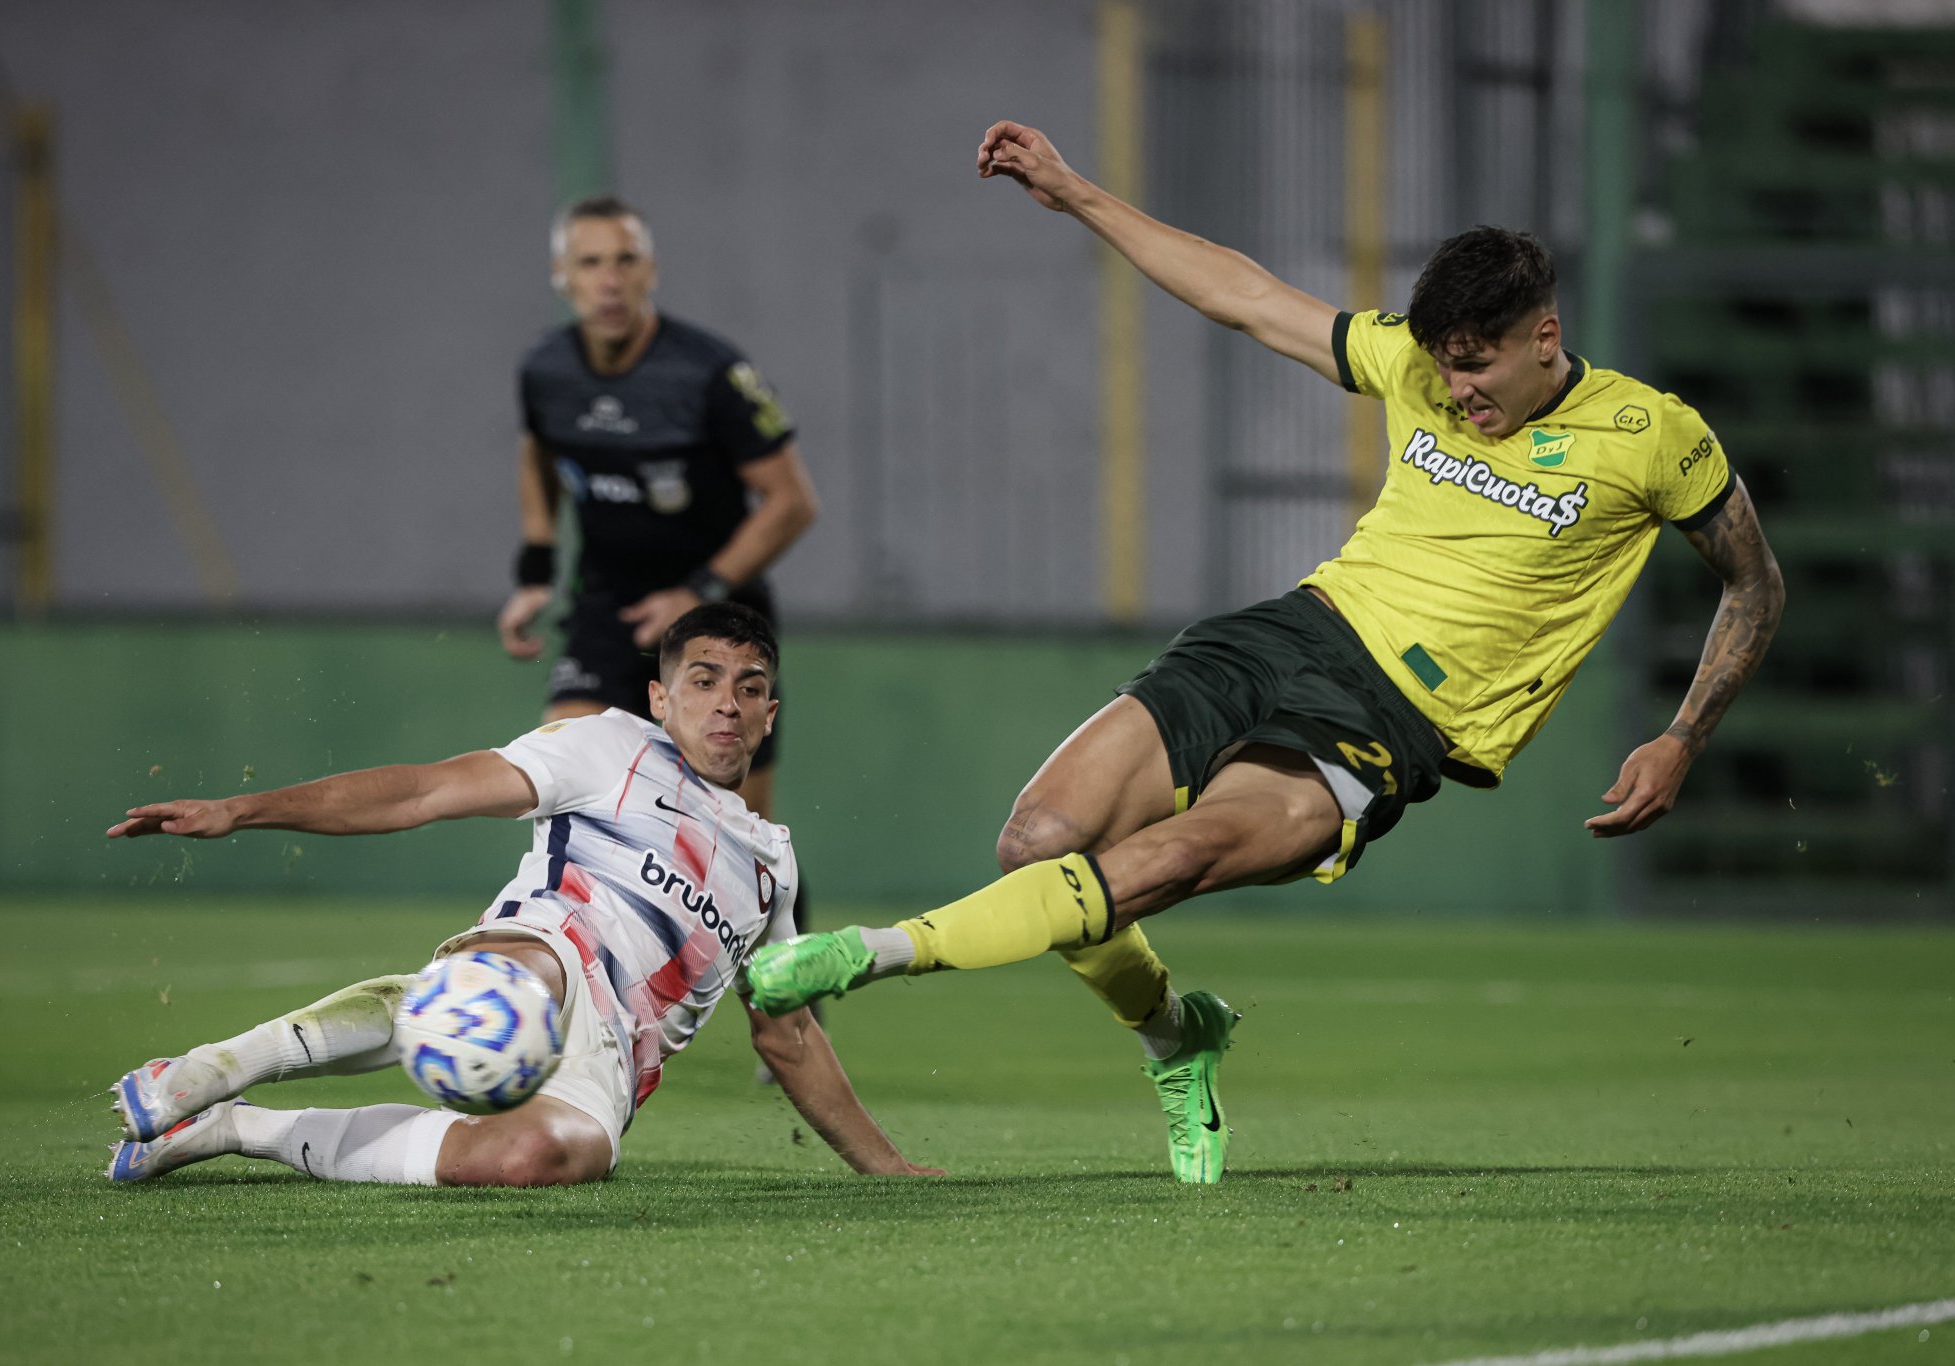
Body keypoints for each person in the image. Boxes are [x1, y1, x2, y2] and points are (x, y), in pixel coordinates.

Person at [743, 120, 1786, 1186]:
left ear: (1543, 335)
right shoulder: (1416, 370)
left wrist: (1681, 737)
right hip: (1293, 627)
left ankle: (868, 953)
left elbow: (1752, 580)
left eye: (1475, 369)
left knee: (1176, 855)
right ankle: (1175, 1039)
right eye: (1440, 369)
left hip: (1392, 719)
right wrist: (1076, 193)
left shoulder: (1650, 435)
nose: (1456, 392)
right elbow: (1241, 296)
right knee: (1038, 840)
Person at [104, 604, 938, 1188]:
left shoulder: (773, 869)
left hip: (611, 1058)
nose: (727, 702)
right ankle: (218, 1069)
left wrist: (885, 1165)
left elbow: (786, 1033)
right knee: (506, 989)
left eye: (749, 687)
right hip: (548, 954)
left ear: (769, 714)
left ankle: (236, 1130)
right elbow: (423, 792)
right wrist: (241, 811)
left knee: (537, 1162)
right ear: (660, 697)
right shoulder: (606, 746)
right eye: (703, 679)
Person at [496, 194, 819, 836]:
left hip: (720, 612)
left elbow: (792, 502)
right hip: (608, 606)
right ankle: (572, 930)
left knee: (739, 831)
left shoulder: (708, 373)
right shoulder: (546, 370)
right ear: (562, 276)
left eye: (625, 260)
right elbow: (537, 452)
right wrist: (536, 570)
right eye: (590, 263)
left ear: (652, 271)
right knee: (559, 775)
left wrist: (696, 594)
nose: (608, 281)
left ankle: (775, 937)